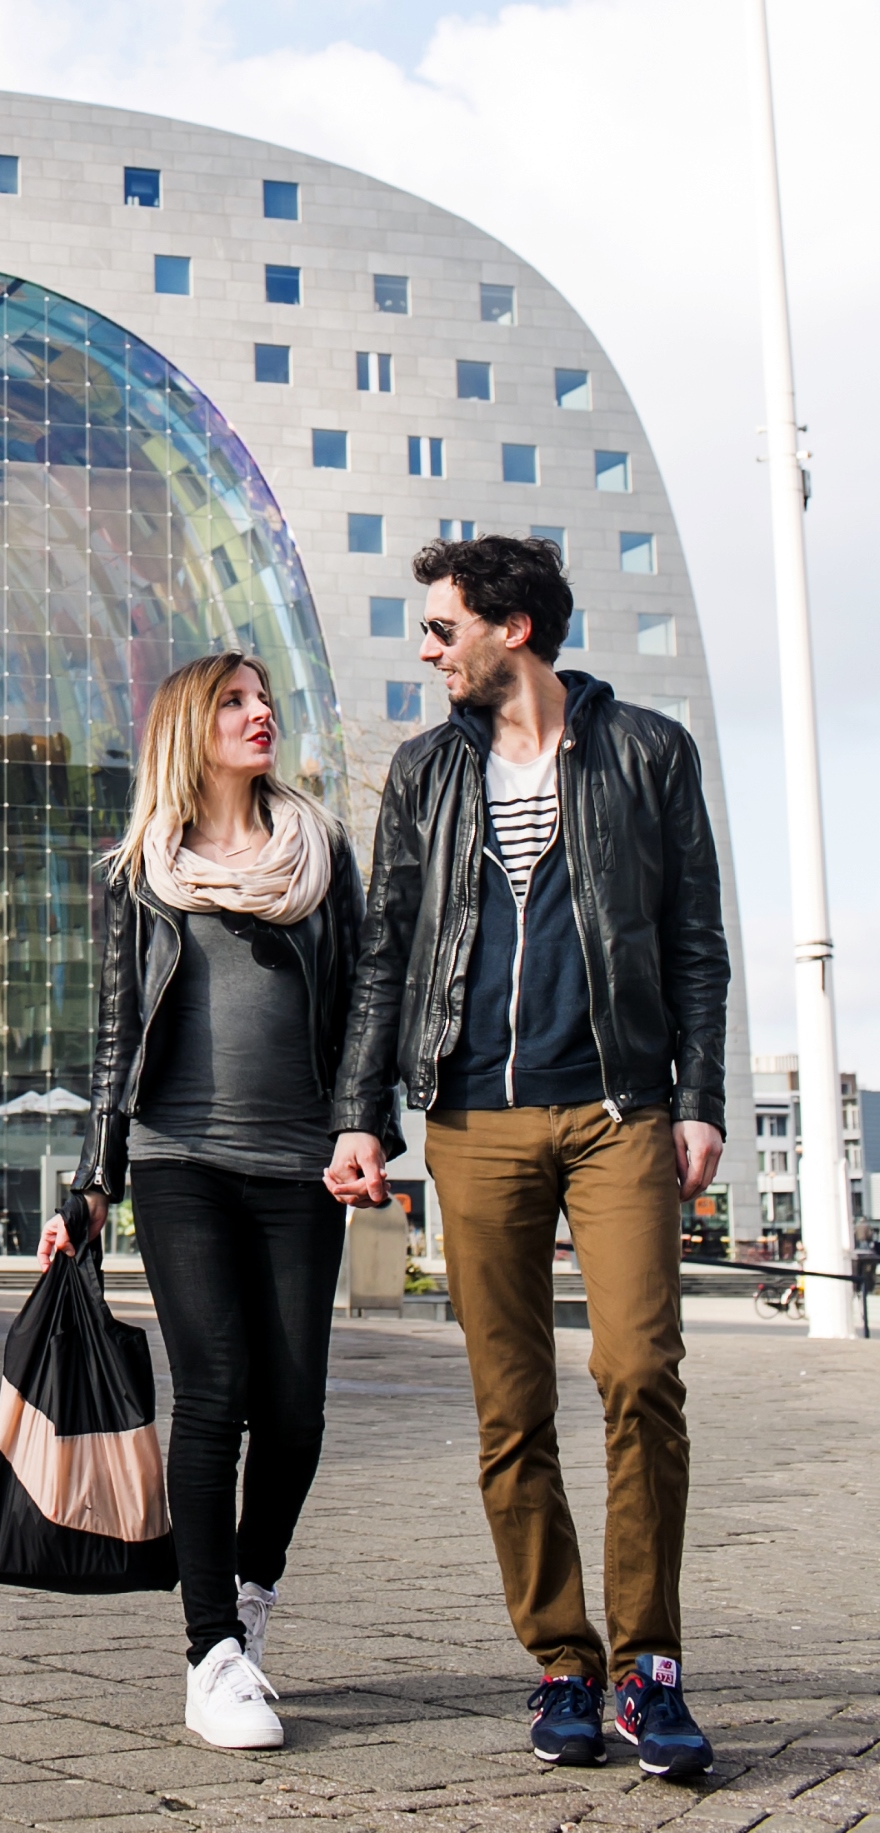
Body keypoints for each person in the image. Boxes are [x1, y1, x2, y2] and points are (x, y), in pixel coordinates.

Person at [325, 535, 727, 1781]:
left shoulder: (647, 751)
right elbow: (387, 950)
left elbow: (694, 941)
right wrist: (361, 1114)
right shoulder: (425, 772)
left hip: (618, 1113)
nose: (427, 651)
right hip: (472, 1120)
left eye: (442, 628)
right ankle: (562, 1661)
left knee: (639, 1375)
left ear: (514, 629)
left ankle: (647, 1667)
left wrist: (699, 1099)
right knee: (512, 1409)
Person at [41, 650, 385, 1751]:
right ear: (191, 725)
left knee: (295, 1412)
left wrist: (363, 1123)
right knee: (215, 1392)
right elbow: (114, 1038)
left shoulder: (319, 853)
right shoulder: (138, 871)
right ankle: (209, 1653)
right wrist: (92, 1184)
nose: (259, 713)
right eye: (234, 702)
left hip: (300, 1166)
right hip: (177, 1159)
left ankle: (250, 1593)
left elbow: (365, 1002)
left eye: (263, 698)